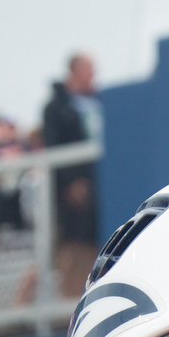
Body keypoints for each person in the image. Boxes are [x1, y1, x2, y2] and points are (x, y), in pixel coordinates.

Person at [43, 52, 102, 298]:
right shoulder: (56, 107)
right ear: (76, 71)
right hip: (73, 195)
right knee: (73, 249)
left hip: (100, 186)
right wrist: (70, 182)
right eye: (89, 69)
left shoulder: (98, 101)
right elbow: (54, 146)